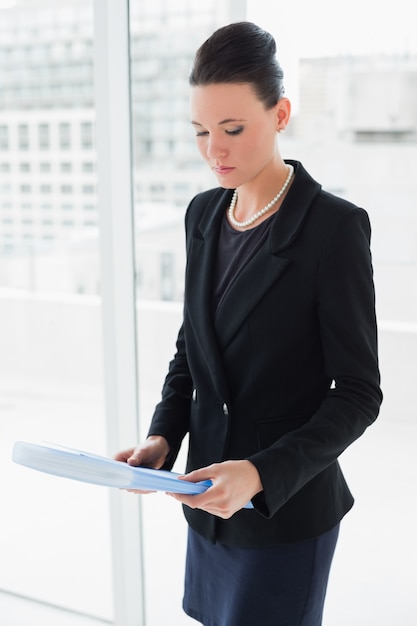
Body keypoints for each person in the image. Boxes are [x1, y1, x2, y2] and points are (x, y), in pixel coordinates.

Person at [114, 21, 382, 626]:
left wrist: (262, 473)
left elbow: (360, 394)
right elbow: (193, 346)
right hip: (207, 503)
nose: (215, 151)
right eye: (202, 132)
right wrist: (163, 439)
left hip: (284, 513)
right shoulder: (204, 213)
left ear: (281, 113)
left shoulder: (332, 229)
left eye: (232, 130)